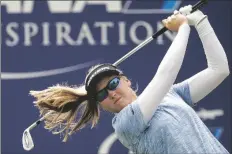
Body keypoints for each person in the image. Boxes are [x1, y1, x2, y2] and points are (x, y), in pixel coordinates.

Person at [30, 5, 230, 153]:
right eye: (101, 94)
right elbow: (165, 76)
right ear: (101, 105)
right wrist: (183, 28)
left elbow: (219, 70)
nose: (111, 93)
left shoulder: (172, 95)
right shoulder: (125, 125)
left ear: (125, 80)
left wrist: (201, 22)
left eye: (113, 83)